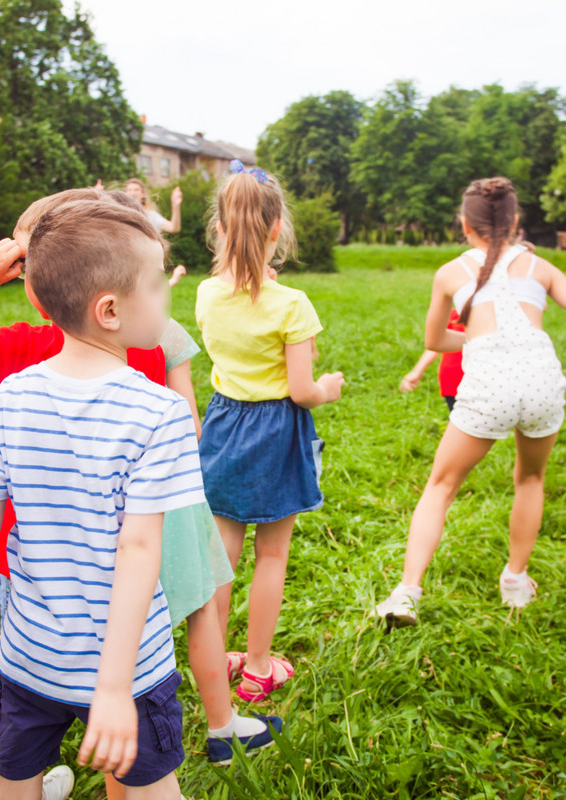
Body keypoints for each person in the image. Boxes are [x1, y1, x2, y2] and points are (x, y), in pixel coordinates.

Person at [0, 188, 280, 776]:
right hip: (153, 552)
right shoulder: (150, 334)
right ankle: (222, 723)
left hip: (37, 631)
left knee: (17, 773)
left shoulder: (16, 368)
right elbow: (176, 453)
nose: (164, 293)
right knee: (200, 613)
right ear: (110, 298)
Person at [0, 198, 199, 799]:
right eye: (156, 284)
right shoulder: (160, 409)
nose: (167, 298)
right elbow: (141, 547)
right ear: (111, 310)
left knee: (13, 783)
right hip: (130, 669)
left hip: (27, 655)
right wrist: (114, 688)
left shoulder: (13, 394)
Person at [374, 177, 566, 626]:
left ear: (464, 225)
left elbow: (434, 339)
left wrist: (475, 336)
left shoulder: (451, 273)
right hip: (542, 379)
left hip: (490, 384)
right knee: (530, 479)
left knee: (441, 486)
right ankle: (515, 579)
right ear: (515, 223)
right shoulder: (539, 268)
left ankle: (407, 592)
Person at [196, 160, 345, 703]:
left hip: (223, 424)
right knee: (272, 557)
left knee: (222, 558)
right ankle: (258, 666)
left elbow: (237, 303)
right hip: (276, 430)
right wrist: (328, 386)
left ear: (219, 228)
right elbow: (303, 390)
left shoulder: (207, 294)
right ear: (277, 228)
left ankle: (211, 660)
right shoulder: (292, 305)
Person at [122, 179, 186, 287]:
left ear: (143, 194)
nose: (132, 192)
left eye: (136, 189)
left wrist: (175, 206)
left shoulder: (151, 216)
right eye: (129, 190)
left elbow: (174, 227)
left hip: (146, 262)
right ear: (124, 194)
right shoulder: (119, 215)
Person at [399, 308, 466, 410]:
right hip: (452, 380)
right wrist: (416, 371)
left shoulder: (491, 315)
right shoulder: (454, 314)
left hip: (475, 380)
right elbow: (435, 346)